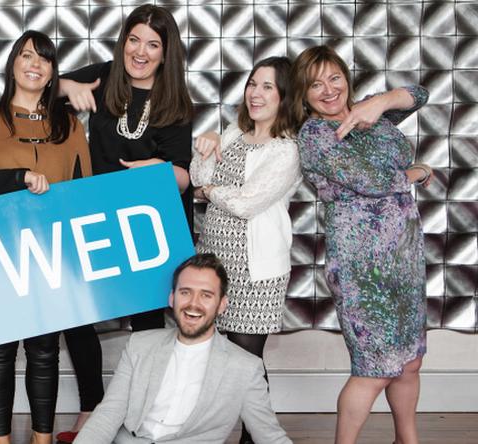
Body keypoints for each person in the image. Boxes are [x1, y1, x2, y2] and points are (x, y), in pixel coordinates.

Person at [56, 6, 194, 439]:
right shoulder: (105, 73)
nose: (140, 51)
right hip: (96, 215)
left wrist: (158, 170)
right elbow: (41, 84)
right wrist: (68, 87)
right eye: (134, 40)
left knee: (147, 321)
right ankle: (90, 407)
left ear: (165, 52)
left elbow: (184, 177)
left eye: (152, 44)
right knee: (78, 313)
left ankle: (141, 410)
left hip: (145, 225)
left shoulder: (174, 101)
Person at [0, 30, 92, 444]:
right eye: (26, 55)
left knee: (44, 351)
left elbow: (84, 193)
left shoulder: (70, 125)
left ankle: (41, 439)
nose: (34, 64)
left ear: (52, 73)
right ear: (13, 64)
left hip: (52, 254)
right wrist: (18, 179)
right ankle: (0, 440)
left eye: (44, 59)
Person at [291, 45, 430, 444]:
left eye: (334, 78)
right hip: (360, 266)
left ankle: (407, 440)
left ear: (346, 78)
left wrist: (380, 102)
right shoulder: (315, 135)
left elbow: (420, 94)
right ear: (304, 95)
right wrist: (418, 171)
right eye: (315, 84)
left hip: (404, 256)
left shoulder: (368, 113)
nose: (328, 90)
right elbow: (372, 181)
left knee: (410, 362)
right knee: (374, 368)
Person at [190, 56, 301, 444]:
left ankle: (255, 439)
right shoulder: (234, 134)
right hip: (216, 264)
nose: (256, 93)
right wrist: (207, 147)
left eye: (268, 86)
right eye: (253, 84)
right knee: (219, 358)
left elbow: (246, 202)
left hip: (255, 271)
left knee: (247, 361)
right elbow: (197, 179)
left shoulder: (286, 150)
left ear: (286, 96)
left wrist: (210, 191)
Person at [73, 254, 292, 444]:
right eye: (185, 292)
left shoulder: (245, 367)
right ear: (172, 297)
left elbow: (270, 436)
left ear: (222, 304)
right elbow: (107, 416)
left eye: (206, 295)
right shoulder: (139, 345)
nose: (193, 303)